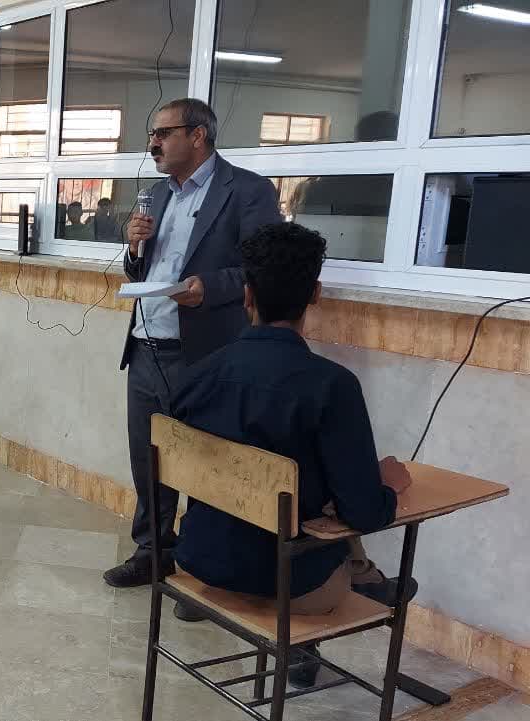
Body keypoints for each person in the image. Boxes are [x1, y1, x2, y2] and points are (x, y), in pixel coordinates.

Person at [170, 222, 416, 687]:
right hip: (290, 586)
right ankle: (362, 587)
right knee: (338, 506)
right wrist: (388, 486)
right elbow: (365, 512)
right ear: (315, 294)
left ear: (246, 295)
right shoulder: (332, 386)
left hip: (200, 560)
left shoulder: (195, 376)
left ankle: (363, 581)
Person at [104, 98, 283, 603]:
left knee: (207, 463)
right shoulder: (157, 194)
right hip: (146, 345)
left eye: (162, 133)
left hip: (206, 352)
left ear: (198, 135)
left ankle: (208, 569)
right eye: (153, 134)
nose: (153, 144)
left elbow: (264, 268)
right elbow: (143, 272)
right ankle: (153, 552)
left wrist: (211, 287)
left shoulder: (247, 191)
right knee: (149, 457)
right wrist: (134, 249)